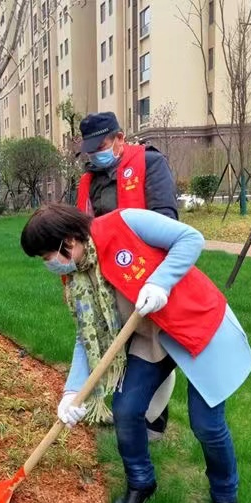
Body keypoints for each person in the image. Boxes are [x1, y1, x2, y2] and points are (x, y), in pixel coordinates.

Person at [21, 204, 250, 503]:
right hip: (151, 337)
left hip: (196, 325)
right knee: (126, 410)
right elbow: (86, 336)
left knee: (207, 424)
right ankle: (141, 483)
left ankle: (225, 498)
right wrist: (71, 392)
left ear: (68, 240)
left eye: (47, 255)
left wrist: (160, 283)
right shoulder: (77, 277)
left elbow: (190, 238)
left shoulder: (124, 223)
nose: (49, 264)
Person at [77, 111, 179, 440]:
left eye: (101, 146)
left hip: (148, 270)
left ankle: (154, 420)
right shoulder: (91, 179)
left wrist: (158, 276)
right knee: (128, 342)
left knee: (156, 342)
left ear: (120, 138)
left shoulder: (150, 163)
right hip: (112, 272)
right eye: (90, 150)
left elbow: (166, 218)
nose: (96, 155)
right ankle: (132, 409)